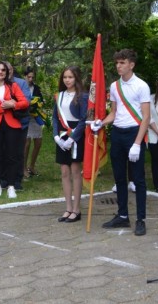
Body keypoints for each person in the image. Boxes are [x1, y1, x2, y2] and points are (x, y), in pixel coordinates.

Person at [91, 49, 150, 236]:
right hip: (117, 133)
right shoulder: (115, 86)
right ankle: (123, 215)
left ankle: (141, 219)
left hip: (134, 134)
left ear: (131, 64)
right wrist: (101, 122)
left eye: (122, 63)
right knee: (119, 178)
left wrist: (137, 143)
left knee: (139, 179)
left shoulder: (142, 86)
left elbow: (146, 118)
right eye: (117, 63)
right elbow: (114, 112)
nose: (118, 66)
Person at [0, 61, 28, 199]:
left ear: (7, 72)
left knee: (12, 156)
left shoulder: (13, 86)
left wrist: (13, 104)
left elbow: (24, 102)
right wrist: (4, 106)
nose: (0, 72)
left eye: (3, 70)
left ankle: (11, 186)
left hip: (12, 124)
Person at [52, 66, 88, 223]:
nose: (67, 80)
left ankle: (76, 209)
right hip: (61, 135)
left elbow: (83, 120)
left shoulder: (82, 96)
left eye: (70, 77)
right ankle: (68, 207)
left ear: (76, 79)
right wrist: (55, 136)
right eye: (65, 77)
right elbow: (54, 117)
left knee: (75, 171)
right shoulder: (59, 96)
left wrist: (72, 138)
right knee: (64, 172)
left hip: (75, 136)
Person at [4, 62, 32, 189]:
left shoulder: (21, 83)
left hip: (21, 123)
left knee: (18, 152)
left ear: (12, 70)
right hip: (3, 123)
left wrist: (12, 104)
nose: (6, 72)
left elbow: (26, 100)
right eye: (3, 69)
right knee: (4, 151)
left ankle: (17, 180)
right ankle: (4, 178)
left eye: (8, 69)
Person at [23, 67, 44, 177]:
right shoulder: (21, 87)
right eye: (29, 77)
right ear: (24, 76)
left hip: (36, 118)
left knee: (38, 142)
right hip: (25, 117)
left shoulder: (37, 88)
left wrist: (38, 104)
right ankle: (24, 167)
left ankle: (32, 166)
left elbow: (41, 100)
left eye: (32, 77)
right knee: (26, 143)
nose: (31, 79)